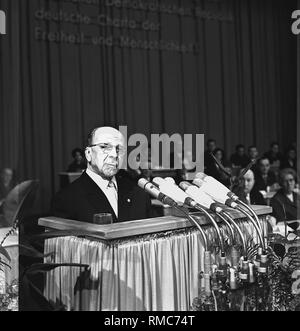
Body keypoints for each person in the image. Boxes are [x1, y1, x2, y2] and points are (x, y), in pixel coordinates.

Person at [52, 127, 152, 223]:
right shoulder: (66, 199)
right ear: (88, 154)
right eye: (104, 147)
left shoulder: (139, 195)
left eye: (119, 149)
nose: (114, 154)